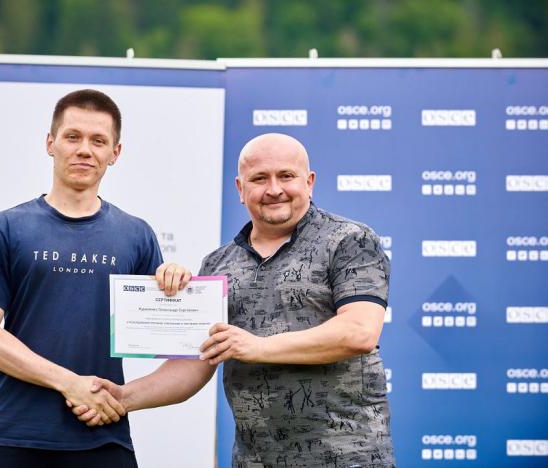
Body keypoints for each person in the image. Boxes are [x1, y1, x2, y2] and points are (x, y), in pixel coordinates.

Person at [77, 132, 395, 468]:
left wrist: (258, 347)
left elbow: (359, 332)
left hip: (348, 457)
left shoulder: (350, 240)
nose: (274, 189)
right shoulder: (219, 264)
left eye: (286, 175)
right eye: (259, 179)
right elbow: (194, 363)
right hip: (254, 460)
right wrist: (122, 398)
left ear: (309, 182)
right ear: (241, 190)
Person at [0, 89, 190, 468]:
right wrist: (69, 383)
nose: (84, 150)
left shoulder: (137, 236)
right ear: (51, 143)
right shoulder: (5, 228)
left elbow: (174, 343)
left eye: (98, 141)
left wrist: (174, 283)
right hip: (10, 437)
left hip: (102, 436)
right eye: (72, 137)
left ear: (115, 153)